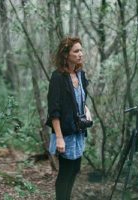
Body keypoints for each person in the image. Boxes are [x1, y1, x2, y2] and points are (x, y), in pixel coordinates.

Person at [46, 36, 92, 200]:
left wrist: (86, 109)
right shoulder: (58, 77)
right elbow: (54, 110)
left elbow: (79, 99)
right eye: (76, 51)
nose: (80, 54)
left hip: (78, 130)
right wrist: (59, 138)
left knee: (75, 170)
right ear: (66, 55)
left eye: (81, 50)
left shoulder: (80, 75)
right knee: (65, 173)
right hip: (64, 133)